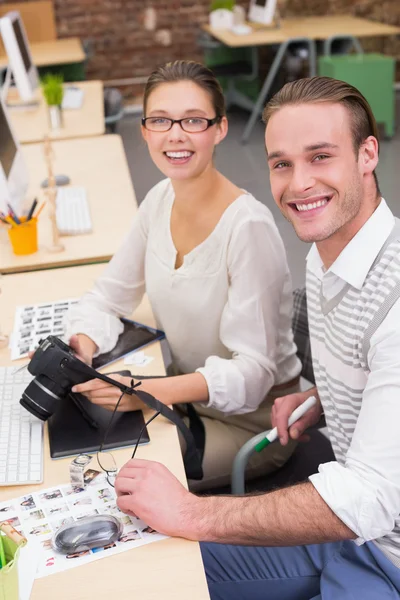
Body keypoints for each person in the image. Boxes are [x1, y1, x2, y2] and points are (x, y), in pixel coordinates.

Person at [113, 76, 400, 599]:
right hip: (351, 534)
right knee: (151, 576)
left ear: (367, 154)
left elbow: (371, 499)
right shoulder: (326, 256)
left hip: (385, 553)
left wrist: (191, 511)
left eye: (320, 156)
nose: (298, 184)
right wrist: (327, 397)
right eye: (281, 163)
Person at [66, 60, 301, 491]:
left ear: (220, 128)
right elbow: (107, 298)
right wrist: (83, 344)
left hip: (254, 425)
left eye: (193, 120)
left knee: (108, 483)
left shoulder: (247, 226)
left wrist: (146, 390)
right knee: (76, 443)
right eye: (160, 120)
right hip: (180, 397)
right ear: (144, 131)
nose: (175, 134)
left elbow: (253, 373)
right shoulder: (159, 199)